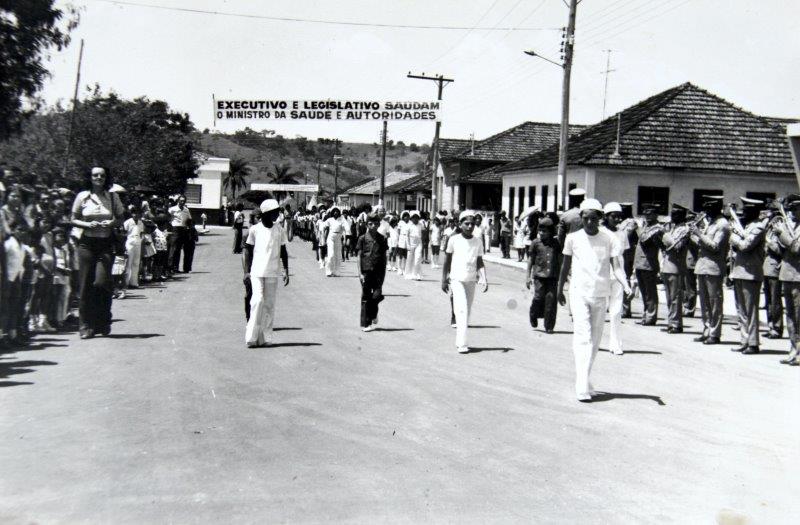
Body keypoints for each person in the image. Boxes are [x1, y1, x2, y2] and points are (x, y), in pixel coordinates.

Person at [557, 198, 632, 402]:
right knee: (583, 337)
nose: (589, 222)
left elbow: (616, 266)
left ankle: (585, 380)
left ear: (600, 218)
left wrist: (626, 285)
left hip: (600, 294)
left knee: (596, 341)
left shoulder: (609, 240)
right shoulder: (573, 238)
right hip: (579, 293)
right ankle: (581, 386)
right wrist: (559, 288)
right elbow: (565, 266)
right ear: (581, 218)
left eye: (593, 218)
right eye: (586, 218)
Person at [70, 167, 125, 339]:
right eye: (95, 175)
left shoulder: (112, 196)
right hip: (87, 244)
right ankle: (86, 326)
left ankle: (103, 321)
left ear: (106, 178)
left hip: (105, 244)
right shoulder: (82, 196)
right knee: (86, 286)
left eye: (102, 175)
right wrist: (87, 225)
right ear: (90, 177)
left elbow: (121, 218)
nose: (99, 177)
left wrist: (111, 223)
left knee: (102, 283)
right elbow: (73, 219)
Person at [243, 199, 289, 348]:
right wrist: (246, 272)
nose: (277, 215)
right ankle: (251, 337)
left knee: (269, 305)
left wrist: (286, 270)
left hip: (272, 272)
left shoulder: (279, 229)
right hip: (256, 272)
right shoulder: (255, 230)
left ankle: (266, 338)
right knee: (257, 301)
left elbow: (283, 251)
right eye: (275, 212)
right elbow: (248, 251)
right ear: (267, 213)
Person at [442, 211, 488, 354]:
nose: (469, 226)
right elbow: (447, 261)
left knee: (466, 312)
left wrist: (484, 278)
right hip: (456, 279)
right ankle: (462, 343)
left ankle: (459, 339)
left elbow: (479, 262)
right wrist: (444, 278)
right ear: (460, 224)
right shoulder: (453, 239)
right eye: (466, 223)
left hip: (471, 280)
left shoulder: (477, 242)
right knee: (461, 310)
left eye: (472, 224)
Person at [688, 196, 731, 345]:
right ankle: (706, 329)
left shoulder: (723, 224)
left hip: (714, 268)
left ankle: (715, 333)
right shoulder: (711, 223)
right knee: (705, 302)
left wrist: (699, 234)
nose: (705, 213)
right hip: (702, 266)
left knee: (715, 303)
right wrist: (692, 236)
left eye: (708, 209)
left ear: (715, 208)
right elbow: (703, 244)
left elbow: (715, 246)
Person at [728, 197, 767, 354]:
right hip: (740, 272)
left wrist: (733, 237)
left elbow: (745, 246)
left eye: (746, 210)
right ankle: (744, 340)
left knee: (750, 311)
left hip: (751, 273)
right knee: (742, 310)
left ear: (754, 212)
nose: (743, 213)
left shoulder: (758, 227)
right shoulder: (748, 226)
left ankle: (753, 343)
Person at [602, 202, 631, 353]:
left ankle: (615, 344)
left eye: (620, 217)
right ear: (606, 217)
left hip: (618, 276)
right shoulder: (600, 232)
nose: (617, 220)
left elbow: (624, 255)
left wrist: (627, 278)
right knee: (599, 311)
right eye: (614, 217)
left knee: (616, 311)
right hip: (602, 275)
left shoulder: (622, 233)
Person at [774, 195, 800, 366]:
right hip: (787, 274)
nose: (790, 213)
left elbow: (797, 248)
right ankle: (793, 349)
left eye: (794, 210)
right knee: (790, 315)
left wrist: (782, 234)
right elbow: (779, 250)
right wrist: (777, 236)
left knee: (799, 316)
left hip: (798, 277)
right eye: (789, 210)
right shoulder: (790, 227)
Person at [660, 204, 690, 334]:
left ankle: (676, 324)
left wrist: (663, 234)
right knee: (669, 298)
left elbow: (676, 246)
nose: (672, 216)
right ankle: (671, 321)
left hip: (676, 267)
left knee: (675, 297)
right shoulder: (673, 228)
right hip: (667, 265)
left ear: (682, 216)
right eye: (672, 213)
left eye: (676, 214)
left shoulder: (684, 229)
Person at [526, 217, 560, 333]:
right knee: (538, 298)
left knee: (551, 300)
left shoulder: (556, 243)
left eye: (545, 231)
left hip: (552, 277)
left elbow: (559, 259)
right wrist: (527, 276)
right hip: (539, 276)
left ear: (551, 231)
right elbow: (531, 260)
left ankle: (549, 326)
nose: (541, 233)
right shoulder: (536, 243)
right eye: (540, 230)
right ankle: (533, 314)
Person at [356, 213, 388, 331]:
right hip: (366, 271)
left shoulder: (382, 239)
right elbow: (359, 256)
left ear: (379, 224)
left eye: (375, 224)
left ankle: (373, 312)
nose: (373, 226)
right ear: (366, 225)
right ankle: (366, 323)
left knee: (376, 295)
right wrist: (360, 273)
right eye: (370, 224)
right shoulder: (362, 238)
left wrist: (383, 274)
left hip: (378, 272)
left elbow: (384, 258)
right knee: (366, 296)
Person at [634, 204, 664, 326]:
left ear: (656, 215)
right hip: (640, 263)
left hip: (649, 263)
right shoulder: (646, 226)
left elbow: (644, 239)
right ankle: (646, 315)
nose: (647, 216)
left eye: (650, 213)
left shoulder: (657, 227)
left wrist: (638, 227)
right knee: (643, 291)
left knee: (650, 292)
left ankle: (651, 316)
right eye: (645, 213)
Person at [763, 201, 784, 339]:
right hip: (766, 267)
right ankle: (771, 325)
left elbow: (778, 250)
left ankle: (777, 328)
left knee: (775, 300)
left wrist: (767, 241)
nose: (768, 214)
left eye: (771, 212)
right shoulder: (769, 228)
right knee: (769, 300)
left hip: (774, 268)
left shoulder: (779, 228)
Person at [123, 206, 145, 289]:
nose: (136, 215)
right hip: (130, 243)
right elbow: (124, 233)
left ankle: (134, 283)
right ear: (132, 214)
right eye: (134, 213)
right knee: (128, 263)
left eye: (137, 213)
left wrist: (141, 239)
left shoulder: (140, 223)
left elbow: (142, 233)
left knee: (136, 263)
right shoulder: (128, 222)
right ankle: (126, 283)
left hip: (138, 243)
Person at [169, 195, 192, 271]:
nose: (182, 202)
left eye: (184, 201)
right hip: (175, 229)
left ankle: (178, 267)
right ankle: (173, 267)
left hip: (183, 229)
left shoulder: (186, 210)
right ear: (178, 201)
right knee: (175, 249)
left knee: (181, 249)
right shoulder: (172, 209)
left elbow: (189, 219)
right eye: (181, 200)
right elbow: (168, 218)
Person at [323, 207, 344, 277]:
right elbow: (324, 227)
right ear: (332, 213)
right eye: (334, 211)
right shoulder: (329, 220)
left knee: (338, 255)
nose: (335, 213)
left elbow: (344, 229)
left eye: (337, 211)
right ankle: (328, 271)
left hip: (338, 238)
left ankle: (336, 271)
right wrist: (324, 238)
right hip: (331, 237)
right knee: (331, 254)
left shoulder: (341, 220)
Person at [404, 210, 423, 280]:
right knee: (409, 259)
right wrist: (408, 245)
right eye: (414, 217)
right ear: (411, 218)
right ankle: (408, 273)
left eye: (417, 217)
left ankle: (416, 274)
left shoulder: (421, 225)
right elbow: (406, 236)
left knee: (417, 258)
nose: (415, 219)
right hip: (411, 243)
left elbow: (422, 234)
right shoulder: (408, 225)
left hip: (418, 243)